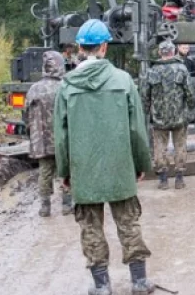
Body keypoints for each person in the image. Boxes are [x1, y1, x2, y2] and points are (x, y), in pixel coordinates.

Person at [54, 19, 155, 295]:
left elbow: (61, 136)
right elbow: (137, 129)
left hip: (83, 170)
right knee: (128, 222)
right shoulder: (123, 81)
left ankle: (102, 286)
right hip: (120, 165)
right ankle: (139, 282)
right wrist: (140, 164)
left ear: (79, 48)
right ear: (104, 47)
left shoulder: (66, 86)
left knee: (90, 227)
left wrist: (64, 172)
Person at [23, 50, 72, 217]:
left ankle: (45, 206)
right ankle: (66, 204)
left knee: (44, 172)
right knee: (65, 171)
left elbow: (26, 115)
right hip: (62, 139)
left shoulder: (34, 89)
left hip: (41, 140)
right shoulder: (65, 87)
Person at [143, 41, 195, 191]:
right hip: (179, 116)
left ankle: (163, 180)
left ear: (160, 53)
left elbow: (145, 95)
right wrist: (190, 108)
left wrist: (147, 111)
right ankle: (179, 179)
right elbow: (190, 92)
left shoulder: (152, 71)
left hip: (159, 118)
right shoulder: (182, 69)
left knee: (160, 147)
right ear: (173, 52)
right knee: (180, 146)